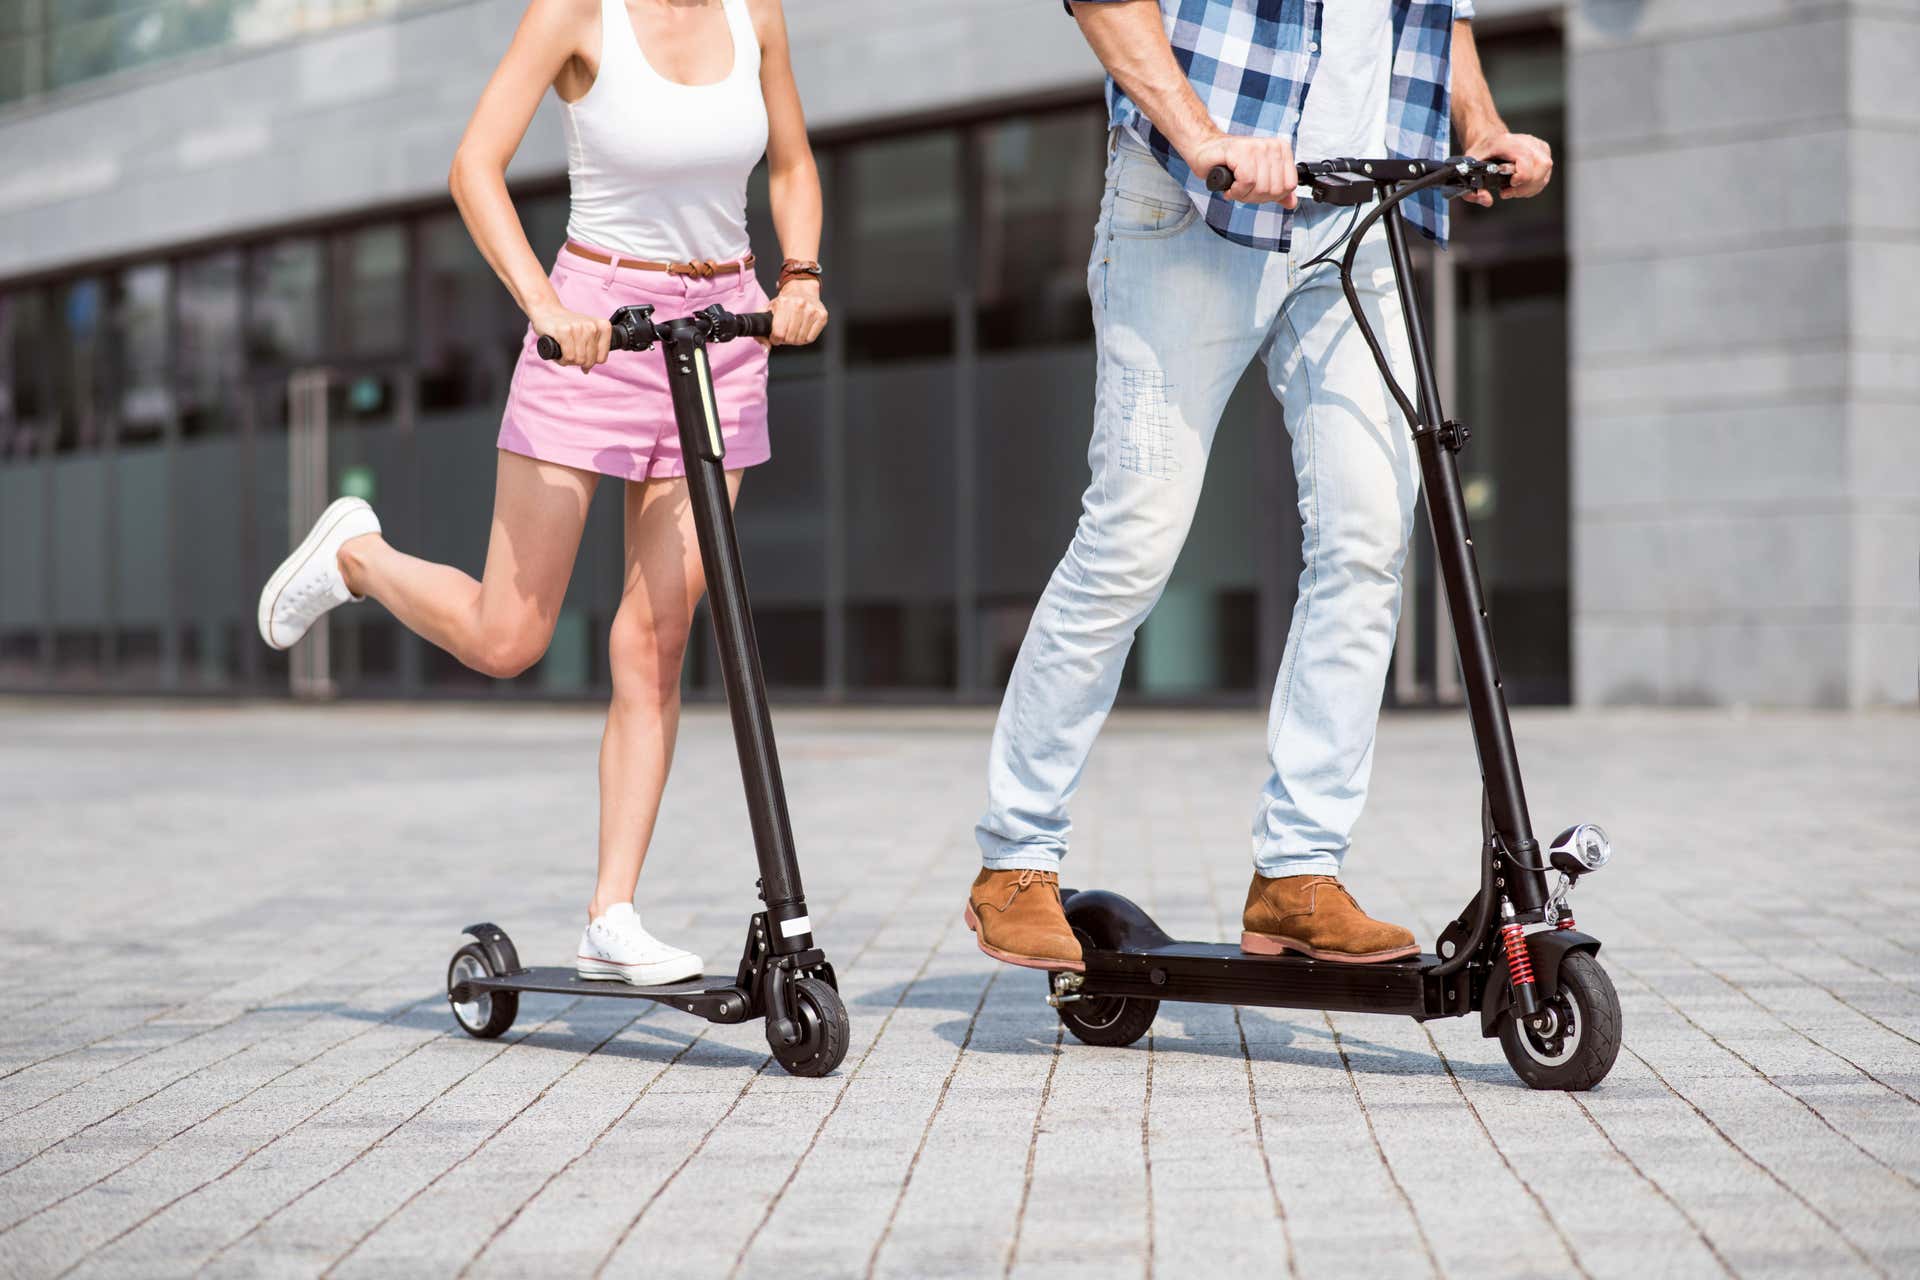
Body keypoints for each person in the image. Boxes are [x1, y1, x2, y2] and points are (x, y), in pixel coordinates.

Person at [965, 0, 1552, 971]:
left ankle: (1297, 873)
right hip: (1193, 206)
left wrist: (1480, 125)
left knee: (1370, 537)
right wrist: (1203, 137)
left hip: (1355, 224)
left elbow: (1443, 16)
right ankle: (1015, 858)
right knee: (1134, 535)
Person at [256, 0, 828, 987]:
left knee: (657, 636)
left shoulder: (756, 13)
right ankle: (360, 554)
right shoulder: (575, 12)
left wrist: (804, 273)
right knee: (507, 635)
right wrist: (546, 306)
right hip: (593, 329)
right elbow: (474, 166)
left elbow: (791, 162)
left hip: (724, 335)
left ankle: (612, 913)